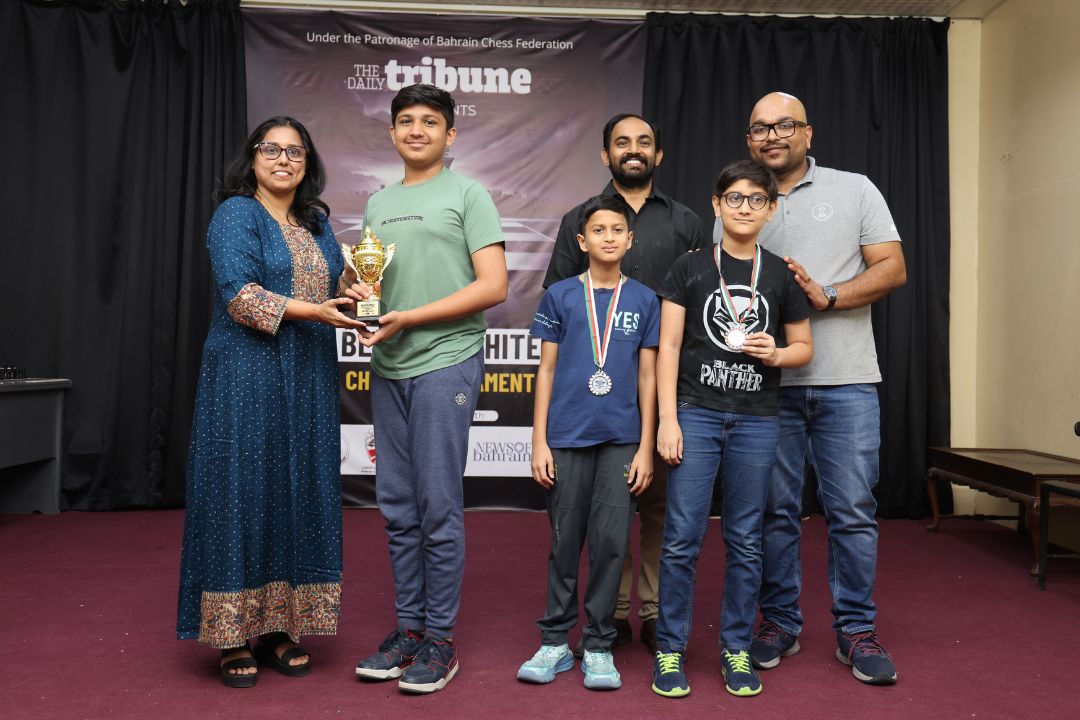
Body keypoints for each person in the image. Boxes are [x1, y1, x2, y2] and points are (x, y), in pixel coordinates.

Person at [177, 116, 366, 688]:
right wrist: (319, 312)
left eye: (295, 152)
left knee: (299, 485)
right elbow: (241, 297)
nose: (284, 159)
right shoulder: (236, 213)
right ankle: (233, 633)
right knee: (241, 489)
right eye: (272, 149)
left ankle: (283, 625)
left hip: (308, 371)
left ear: (308, 163)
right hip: (245, 371)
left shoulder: (316, 222)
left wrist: (352, 292)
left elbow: (329, 286)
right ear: (253, 157)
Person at [740, 92, 907, 685]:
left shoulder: (854, 189)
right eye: (760, 128)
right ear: (749, 140)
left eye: (784, 125)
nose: (772, 135)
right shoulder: (741, 199)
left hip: (847, 381)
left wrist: (829, 295)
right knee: (774, 512)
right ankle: (779, 622)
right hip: (768, 387)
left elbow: (892, 267)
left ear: (807, 133)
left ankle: (856, 629)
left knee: (853, 512)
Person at [350, 84, 508, 694]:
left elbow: (493, 286)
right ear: (392, 133)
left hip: (447, 359)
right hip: (388, 364)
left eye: (430, 122)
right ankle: (409, 630)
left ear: (450, 135)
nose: (417, 130)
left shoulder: (469, 194)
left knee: (437, 506)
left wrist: (411, 318)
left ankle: (441, 640)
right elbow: (376, 282)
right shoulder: (378, 202)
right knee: (397, 506)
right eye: (407, 121)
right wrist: (357, 295)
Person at [543, 113, 706, 656]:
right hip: (598, 391)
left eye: (643, 142)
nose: (632, 150)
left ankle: (654, 609)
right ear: (605, 154)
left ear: (658, 155)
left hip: (669, 381)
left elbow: (703, 298)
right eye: (621, 142)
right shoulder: (580, 218)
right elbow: (561, 302)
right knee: (603, 509)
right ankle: (609, 611)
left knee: (657, 501)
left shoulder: (686, 221)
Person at [650, 160, 812, 699]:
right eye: (734, 198)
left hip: (757, 419)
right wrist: (668, 419)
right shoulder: (690, 267)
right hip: (695, 413)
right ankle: (670, 649)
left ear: (772, 209)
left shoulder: (781, 274)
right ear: (716, 205)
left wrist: (778, 353)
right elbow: (669, 347)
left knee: (745, 539)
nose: (745, 207)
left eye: (756, 199)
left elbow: (804, 347)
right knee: (682, 538)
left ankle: (737, 647)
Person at [518, 195, 659, 690]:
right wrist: (539, 441)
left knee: (610, 544)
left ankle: (598, 645)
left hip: (621, 440)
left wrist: (645, 446)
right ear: (582, 241)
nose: (608, 237)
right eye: (598, 230)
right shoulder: (559, 295)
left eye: (617, 229)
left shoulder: (644, 299)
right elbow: (547, 370)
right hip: (566, 437)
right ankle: (555, 641)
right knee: (564, 542)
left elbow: (647, 377)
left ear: (630, 239)